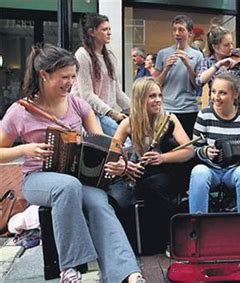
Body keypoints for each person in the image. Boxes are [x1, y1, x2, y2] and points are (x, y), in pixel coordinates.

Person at [0, 44, 144, 283]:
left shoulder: (77, 105)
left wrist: (116, 163)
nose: (70, 83)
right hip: (38, 179)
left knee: (99, 203)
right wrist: (24, 150)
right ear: (44, 75)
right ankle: (71, 268)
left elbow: (101, 147)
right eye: (63, 77)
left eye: (73, 77)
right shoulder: (20, 111)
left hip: (78, 178)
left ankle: (128, 273)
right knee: (67, 187)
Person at [113, 77, 195, 253]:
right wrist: (126, 165)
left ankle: (169, 240)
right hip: (142, 172)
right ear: (140, 99)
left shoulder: (169, 119)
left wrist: (162, 157)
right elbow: (112, 152)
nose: (158, 100)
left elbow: (189, 151)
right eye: (152, 96)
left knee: (155, 188)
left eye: (159, 95)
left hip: (168, 170)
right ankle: (141, 244)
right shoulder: (129, 123)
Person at [189, 73, 240, 213]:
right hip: (211, 170)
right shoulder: (204, 115)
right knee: (198, 172)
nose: (216, 97)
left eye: (222, 93)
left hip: (234, 170)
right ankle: (197, 224)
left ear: (235, 95)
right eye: (213, 92)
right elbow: (196, 149)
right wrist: (205, 151)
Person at [71, 13, 130, 137]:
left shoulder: (110, 57)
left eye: (109, 29)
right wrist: (112, 113)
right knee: (107, 145)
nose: (109, 33)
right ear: (91, 32)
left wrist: (137, 110)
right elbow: (86, 94)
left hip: (105, 114)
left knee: (128, 142)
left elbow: (118, 93)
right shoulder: (82, 55)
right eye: (104, 29)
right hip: (86, 114)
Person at [155, 15, 204, 138]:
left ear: (190, 33)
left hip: (189, 110)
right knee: (165, 147)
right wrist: (166, 68)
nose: (177, 33)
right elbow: (155, 85)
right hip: (166, 109)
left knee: (187, 148)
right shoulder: (163, 53)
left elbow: (197, 86)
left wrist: (187, 64)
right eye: (174, 29)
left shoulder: (197, 56)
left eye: (181, 29)